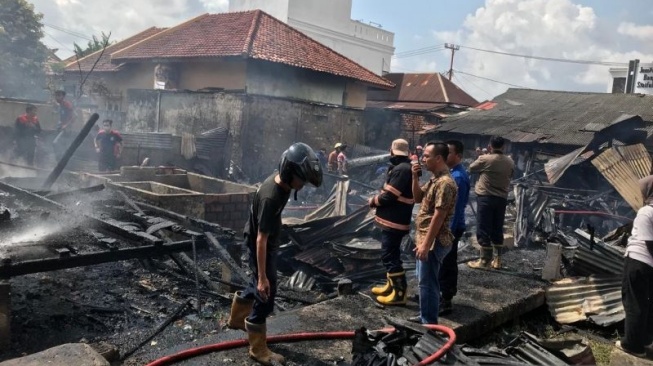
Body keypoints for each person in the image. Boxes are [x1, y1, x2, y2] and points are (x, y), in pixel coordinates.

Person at [226, 142, 322, 365]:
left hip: (261, 240)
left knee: (258, 283)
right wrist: (262, 278)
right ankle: (258, 349)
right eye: (302, 179)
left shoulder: (283, 184)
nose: (303, 184)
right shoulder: (272, 197)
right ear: (290, 172)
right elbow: (261, 239)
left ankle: (237, 319)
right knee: (265, 293)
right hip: (260, 244)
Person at [409, 142, 457, 325]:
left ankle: (429, 322)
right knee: (423, 281)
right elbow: (417, 198)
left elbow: (439, 216)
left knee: (428, 283)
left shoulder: (445, 183)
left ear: (438, 158)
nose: (423, 159)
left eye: (427, 156)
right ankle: (424, 315)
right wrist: (415, 178)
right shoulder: (434, 179)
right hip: (425, 239)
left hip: (435, 241)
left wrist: (426, 244)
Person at [368, 139, 414, 306]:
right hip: (393, 219)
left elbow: (389, 196)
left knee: (389, 255)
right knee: (391, 253)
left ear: (392, 151)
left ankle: (399, 293)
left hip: (395, 220)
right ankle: (391, 287)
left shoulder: (402, 169)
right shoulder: (402, 167)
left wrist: (373, 201)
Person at [616, 175, 653, 358]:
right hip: (650, 266)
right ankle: (645, 339)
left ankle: (632, 345)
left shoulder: (647, 212)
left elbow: (649, 243)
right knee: (648, 304)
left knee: (633, 303)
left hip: (639, 261)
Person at [467, 136, 514, 270]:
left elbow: (471, 168)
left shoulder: (485, 158)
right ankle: (497, 260)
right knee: (497, 227)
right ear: (503, 147)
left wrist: (481, 157)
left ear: (489, 146)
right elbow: (510, 175)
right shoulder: (510, 161)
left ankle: (484, 260)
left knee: (483, 227)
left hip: (486, 197)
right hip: (501, 199)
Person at [438, 140, 470, 315]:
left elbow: (455, 209)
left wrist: (447, 231)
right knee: (443, 262)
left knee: (446, 263)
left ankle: (446, 299)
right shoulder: (451, 174)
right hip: (451, 226)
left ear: (458, 155)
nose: (444, 155)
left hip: (451, 227)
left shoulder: (457, 177)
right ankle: (438, 295)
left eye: (448, 152)